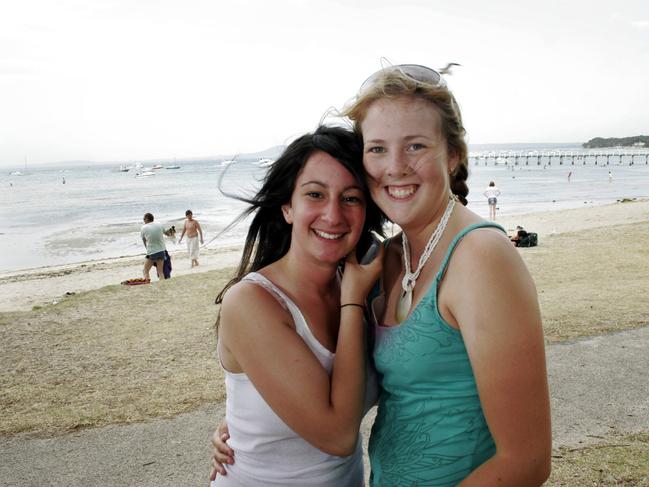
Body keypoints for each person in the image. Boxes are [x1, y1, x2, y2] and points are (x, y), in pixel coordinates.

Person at [212, 65, 552, 486]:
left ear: (453, 154)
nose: (395, 167)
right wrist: (244, 423)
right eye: (377, 149)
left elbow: (526, 461)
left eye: (415, 146)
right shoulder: (386, 261)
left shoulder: (480, 257)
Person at [210, 125, 385, 486]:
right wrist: (352, 303)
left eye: (351, 198)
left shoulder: (363, 281)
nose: (333, 215)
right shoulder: (251, 301)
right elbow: (337, 436)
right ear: (288, 207)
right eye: (315, 194)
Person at [140, 212, 168, 282]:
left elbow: (144, 241)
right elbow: (167, 233)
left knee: (145, 270)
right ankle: (163, 285)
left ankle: (147, 284)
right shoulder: (159, 224)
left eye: (144, 218)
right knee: (160, 272)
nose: (143, 220)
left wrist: (147, 249)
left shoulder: (144, 227)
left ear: (147, 219)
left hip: (152, 252)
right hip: (162, 251)